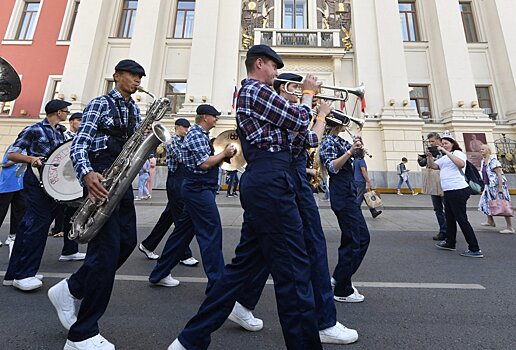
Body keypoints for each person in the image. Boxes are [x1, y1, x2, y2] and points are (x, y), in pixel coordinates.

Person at [169, 45, 323, 350]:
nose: (277, 75)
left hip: (270, 182)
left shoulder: (266, 99)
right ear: (260, 64)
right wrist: (306, 94)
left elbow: (307, 138)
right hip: (270, 184)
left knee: (238, 273)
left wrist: (317, 111)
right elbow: (297, 118)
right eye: (274, 68)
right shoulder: (253, 90)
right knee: (294, 271)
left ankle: (189, 340)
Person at [227, 72, 358, 344]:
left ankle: (239, 304)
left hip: (282, 180)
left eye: (302, 89)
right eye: (296, 88)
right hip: (286, 181)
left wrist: (315, 114)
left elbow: (307, 140)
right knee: (313, 247)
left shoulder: (286, 111)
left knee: (263, 250)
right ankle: (324, 321)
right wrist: (318, 114)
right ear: (281, 90)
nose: (302, 93)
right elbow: (309, 138)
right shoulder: (280, 110)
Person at [47, 59, 146, 350]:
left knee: (127, 242)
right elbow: (79, 143)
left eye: (140, 76)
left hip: (122, 178)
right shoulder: (100, 104)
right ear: (117, 76)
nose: (137, 80)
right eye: (132, 75)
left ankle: (72, 288)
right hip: (101, 176)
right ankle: (82, 334)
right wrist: (86, 173)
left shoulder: (134, 108)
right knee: (105, 255)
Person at [148, 104, 235, 290]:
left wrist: (224, 156)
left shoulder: (200, 135)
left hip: (198, 189)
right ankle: (217, 284)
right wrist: (224, 153)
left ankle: (159, 273)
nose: (217, 119)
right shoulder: (195, 134)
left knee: (182, 234)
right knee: (211, 233)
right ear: (205, 117)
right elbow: (204, 164)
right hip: (198, 190)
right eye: (215, 116)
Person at [3, 99, 71, 291]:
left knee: (29, 225)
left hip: (51, 184)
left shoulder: (60, 132)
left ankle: (15, 273)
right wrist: (31, 158)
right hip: (34, 181)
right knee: (38, 225)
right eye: (65, 111)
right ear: (58, 112)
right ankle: (24, 274)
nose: (67, 114)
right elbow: (12, 154)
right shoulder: (33, 129)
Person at [319, 119, 370, 304]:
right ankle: (342, 289)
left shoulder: (339, 140)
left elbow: (358, 156)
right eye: (342, 123)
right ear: (336, 125)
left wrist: (358, 147)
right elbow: (332, 167)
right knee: (355, 239)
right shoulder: (327, 142)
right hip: (341, 193)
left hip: (348, 191)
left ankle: (340, 277)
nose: (345, 126)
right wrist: (350, 152)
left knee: (359, 237)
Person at [138, 118, 199, 266]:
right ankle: (184, 254)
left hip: (182, 179)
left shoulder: (184, 141)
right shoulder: (172, 141)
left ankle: (148, 245)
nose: (186, 130)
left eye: (188, 127)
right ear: (177, 127)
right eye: (184, 127)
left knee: (168, 217)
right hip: (175, 180)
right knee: (180, 218)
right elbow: (181, 159)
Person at [426, 132, 484, 258]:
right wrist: (430, 156)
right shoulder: (444, 158)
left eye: (446, 143)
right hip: (448, 191)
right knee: (450, 218)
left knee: (461, 219)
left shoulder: (457, 153)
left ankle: (474, 248)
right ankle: (450, 242)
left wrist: (446, 152)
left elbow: (461, 164)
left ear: (453, 144)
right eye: (442, 144)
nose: (444, 145)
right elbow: (434, 166)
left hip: (458, 190)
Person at [58, 112, 86, 262]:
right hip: (61, 182)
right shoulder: (65, 136)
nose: (81, 123)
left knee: (72, 215)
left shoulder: (80, 137)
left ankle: (69, 250)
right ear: (71, 122)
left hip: (73, 182)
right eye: (79, 120)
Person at [478, 144, 514, 233]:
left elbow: (499, 174)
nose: (481, 151)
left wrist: (500, 187)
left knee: (504, 204)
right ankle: (490, 221)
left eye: (483, 149)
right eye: (480, 149)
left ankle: (510, 227)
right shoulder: (483, 161)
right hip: (488, 186)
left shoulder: (493, 160)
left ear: (488, 150)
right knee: (484, 202)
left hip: (497, 185)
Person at [0, 145, 26, 249]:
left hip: (19, 185)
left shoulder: (30, 149)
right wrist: (18, 159)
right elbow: (4, 164)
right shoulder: (15, 148)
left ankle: (12, 236)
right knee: (1, 211)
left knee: (18, 211)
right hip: (6, 185)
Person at [426, 132, 447, 241]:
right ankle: (443, 231)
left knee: (448, 208)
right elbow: (431, 166)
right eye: (429, 142)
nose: (431, 143)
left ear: (439, 140)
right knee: (437, 208)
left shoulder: (445, 150)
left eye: (432, 141)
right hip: (434, 183)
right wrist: (428, 157)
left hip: (445, 183)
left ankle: (450, 231)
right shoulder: (432, 151)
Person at [353, 149, 382, 218]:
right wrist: (368, 181)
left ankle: (373, 211)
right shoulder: (361, 161)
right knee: (359, 198)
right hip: (361, 181)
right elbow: (363, 171)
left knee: (367, 197)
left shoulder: (355, 161)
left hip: (356, 180)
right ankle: (355, 212)